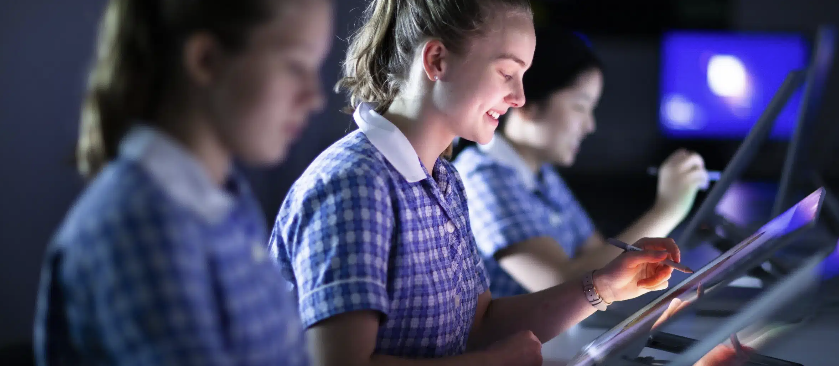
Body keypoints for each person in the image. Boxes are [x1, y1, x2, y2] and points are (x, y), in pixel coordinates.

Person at [269, 2, 683, 365]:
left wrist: (602, 287)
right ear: (436, 61)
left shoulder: (444, 178)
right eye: (507, 72)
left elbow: (479, 324)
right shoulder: (355, 186)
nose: (520, 97)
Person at [32, 0, 332, 364]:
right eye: (295, 66)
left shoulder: (227, 202)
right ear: (206, 60)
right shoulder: (138, 230)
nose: (315, 99)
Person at [452, 27, 709, 298]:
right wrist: (668, 209)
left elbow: (598, 255)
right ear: (526, 103)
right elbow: (562, 282)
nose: (589, 125)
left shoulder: (541, 175)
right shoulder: (484, 176)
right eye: (579, 107)